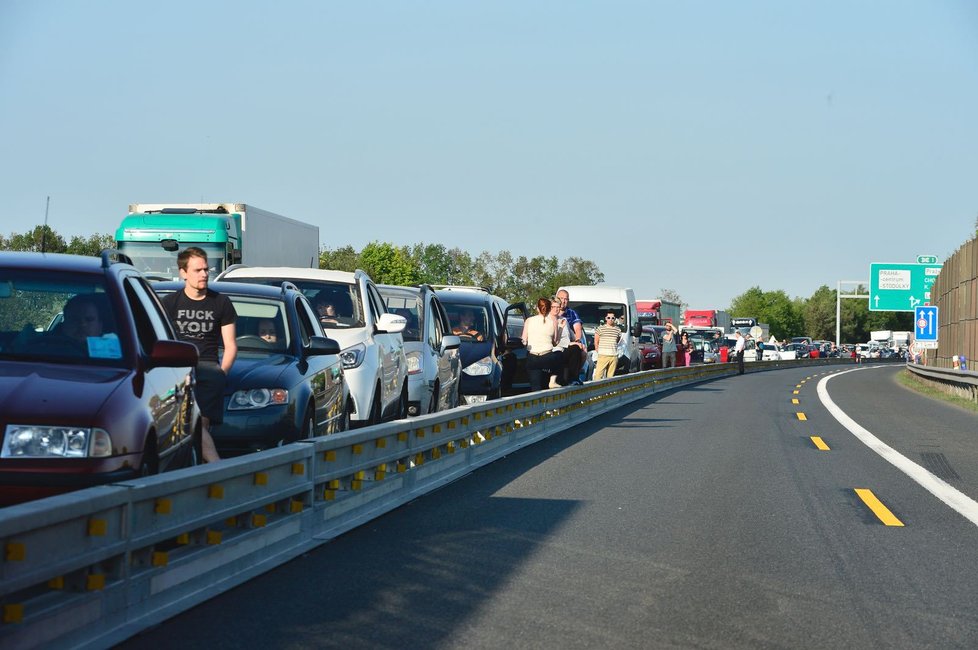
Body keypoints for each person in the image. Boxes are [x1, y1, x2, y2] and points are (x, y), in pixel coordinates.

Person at [159, 247, 237, 463]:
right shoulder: (169, 304)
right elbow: (161, 341)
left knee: (200, 423)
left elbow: (230, 345)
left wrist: (221, 373)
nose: (204, 274)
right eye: (198, 270)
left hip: (208, 371)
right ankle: (207, 472)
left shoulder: (221, 302)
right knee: (182, 426)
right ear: (183, 272)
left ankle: (215, 470)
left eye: (206, 269)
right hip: (178, 371)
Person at [520, 297, 558, 391]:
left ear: (537, 308)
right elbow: (555, 342)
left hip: (532, 357)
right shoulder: (553, 322)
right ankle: (553, 382)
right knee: (546, 386)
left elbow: (524, 340)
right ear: (549, 309)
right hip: (547, 357)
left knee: (535, 386)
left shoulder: (529, 320)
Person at [555, 289, 587, 384]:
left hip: (568, 341)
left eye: (566, 299)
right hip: (555, 343)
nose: (563, 301)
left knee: (582, 351)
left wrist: (577, 340)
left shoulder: (571, 313)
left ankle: (574, 375)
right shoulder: (551, 312)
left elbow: (577, 328)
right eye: (561, 298)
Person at [593, 312, 622, 379]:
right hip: (603, 355)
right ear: (606, 318)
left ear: (615, 319)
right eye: (609, 318)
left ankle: (609, 389)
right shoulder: (600, 328)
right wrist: (598, 350)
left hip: (613, 356)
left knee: (610, 377)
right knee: (598, 375)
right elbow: (596, 341)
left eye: (612, 318)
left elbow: (617, 340)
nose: (610, 319)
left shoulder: (618, 329)